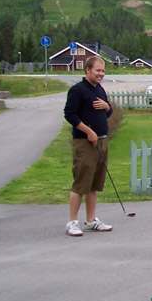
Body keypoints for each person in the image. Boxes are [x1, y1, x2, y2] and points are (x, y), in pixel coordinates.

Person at [63, 55, 113, 236]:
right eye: (98, 70)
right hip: (84, 143)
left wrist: (107, 107)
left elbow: (107, 113)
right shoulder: (77, 90)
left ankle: (91, 220)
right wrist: (88, 131)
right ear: (88, 70)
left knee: (94, 184)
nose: (101, 74)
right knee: (81, 184)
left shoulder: (99, 89)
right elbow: (70, 114)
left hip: (101, 141)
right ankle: (72, 222)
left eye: (103, 71)